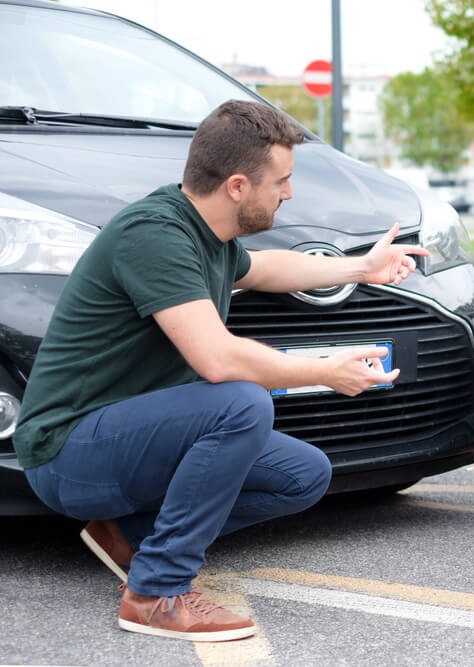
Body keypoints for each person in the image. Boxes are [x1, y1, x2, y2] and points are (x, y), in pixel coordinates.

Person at [13, 100, 428, 642]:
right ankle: (156, 592)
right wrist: (323, 369)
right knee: (240, 402)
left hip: (122, 439)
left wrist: (360, 267)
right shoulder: (155, 234)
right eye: (281, 180)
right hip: (67, 450)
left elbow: (264, 270)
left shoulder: (209, 236)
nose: (289, 192)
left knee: (303, 475)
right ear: (237, 186)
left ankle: (130, 536)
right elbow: (219, 359)